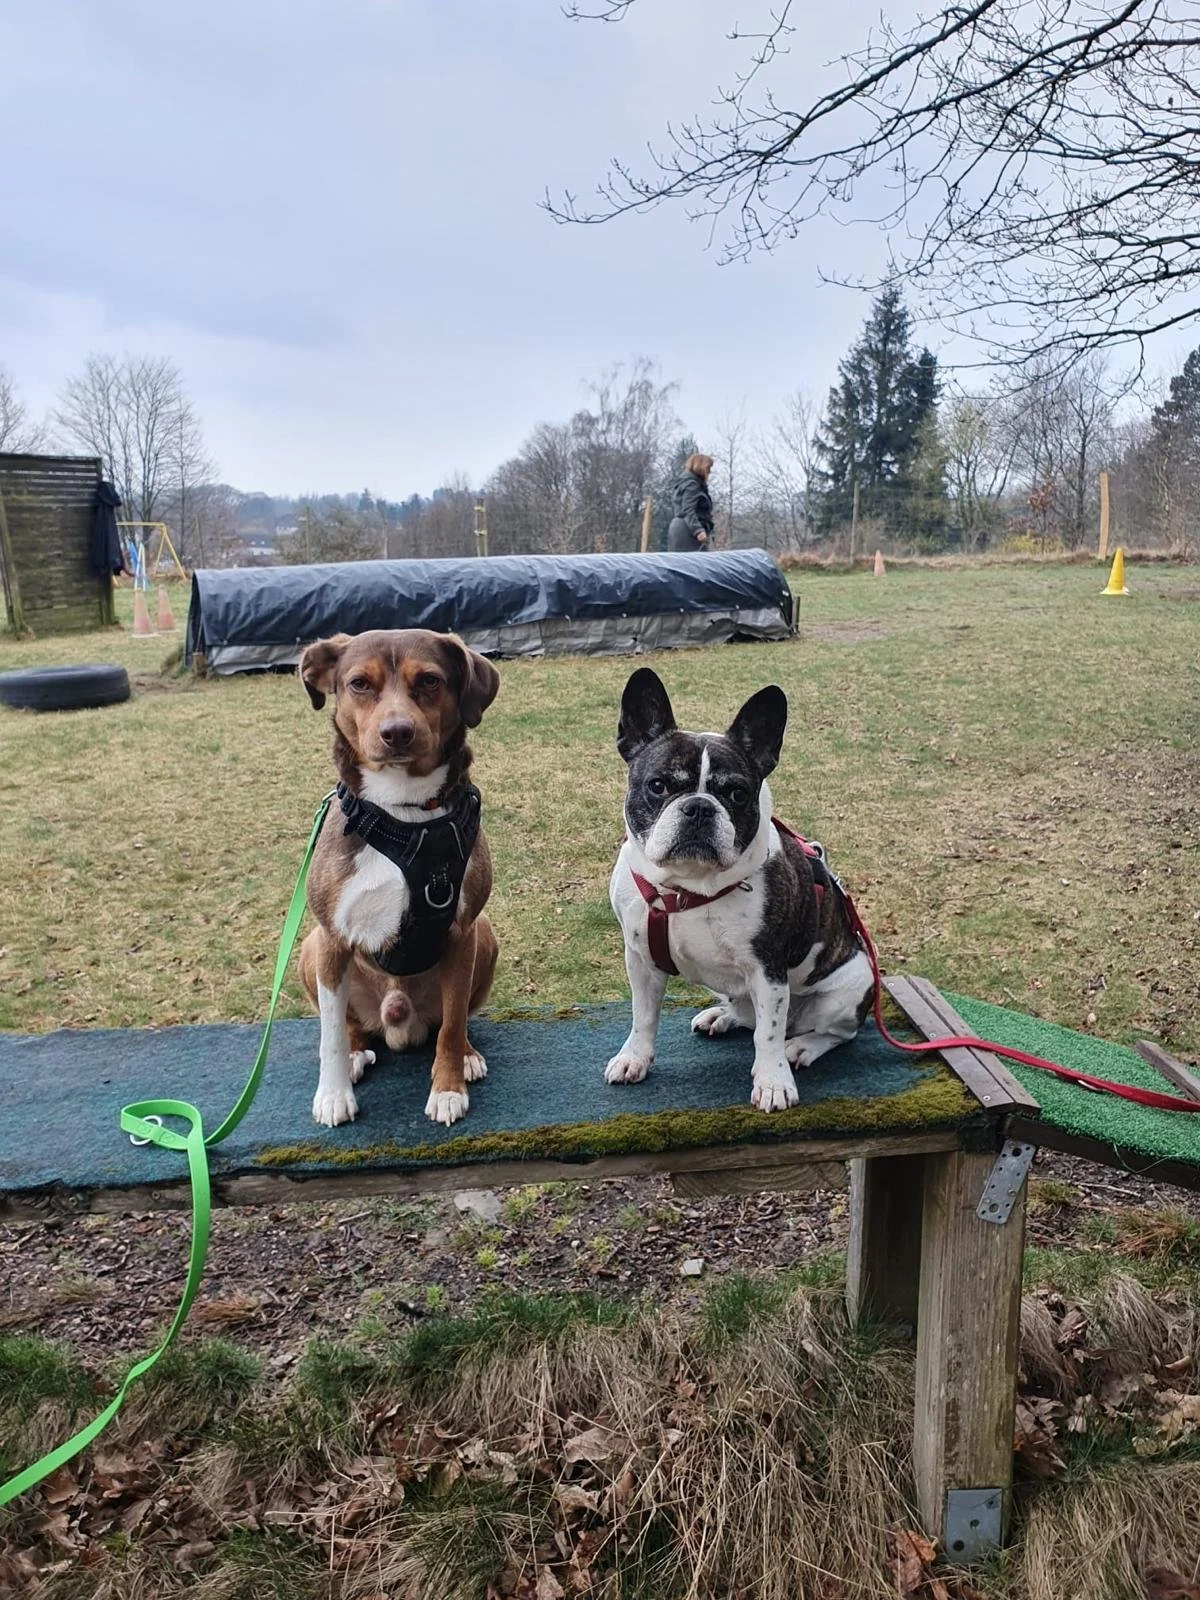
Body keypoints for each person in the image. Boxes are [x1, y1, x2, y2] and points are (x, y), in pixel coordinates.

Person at [667, 453, 714, 551]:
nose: (709, 472)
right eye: (708, 468)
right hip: (688, 530)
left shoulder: (687, 483)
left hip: (683, 527)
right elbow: (688, 509)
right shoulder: (692, 485)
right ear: (702, 467)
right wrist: (698, 530)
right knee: (696, 563)